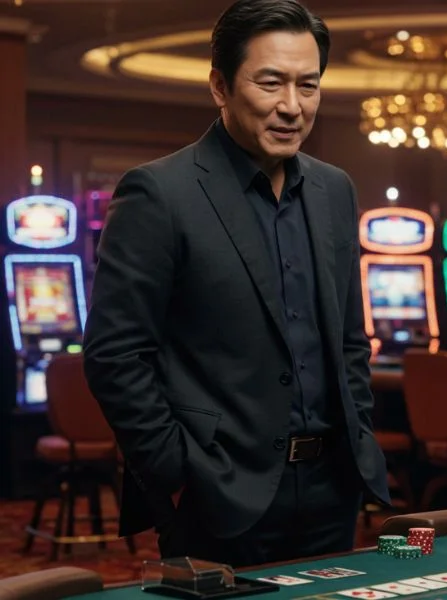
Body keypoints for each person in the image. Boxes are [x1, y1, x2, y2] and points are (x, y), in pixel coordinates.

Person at [82, 0, 390, 568]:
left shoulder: (335, 190)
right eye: (270, 83)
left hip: (333, 488)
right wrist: (178, 473)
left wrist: (359, 437)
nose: (291, 106)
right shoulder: (160, 192)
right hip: (217, 491)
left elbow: (350, 340)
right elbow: (115, 355)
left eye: (308, 85)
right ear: (220, 87)